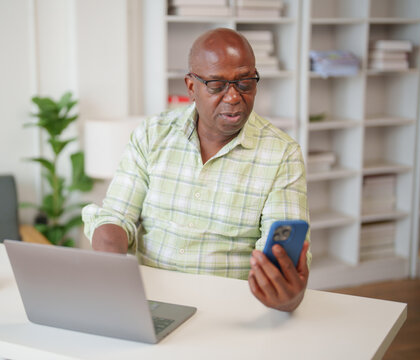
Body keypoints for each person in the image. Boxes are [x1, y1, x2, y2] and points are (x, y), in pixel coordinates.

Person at [83, 28, 310, 312]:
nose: (233, 97)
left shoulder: (282, 153)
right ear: (191, 87)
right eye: (217, 85)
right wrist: (111, 270)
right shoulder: (152, 134)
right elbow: (116, 217)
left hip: (230, 311)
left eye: (245, 83)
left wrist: (287, 294)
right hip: (151, 303)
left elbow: (281, 257)